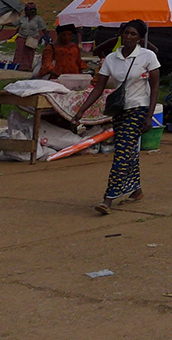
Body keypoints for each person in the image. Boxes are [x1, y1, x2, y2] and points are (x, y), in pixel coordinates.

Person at [72, 19, 161, 214]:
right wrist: (81, 110)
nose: (128, 37)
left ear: (140, 38)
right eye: (126, 33)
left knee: (121, 152)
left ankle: (108, 198)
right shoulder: (112, 58)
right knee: (128, 150)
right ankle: (136, 190)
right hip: (119, 110)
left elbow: (155, 87)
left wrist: (149, 115)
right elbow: (99, 87)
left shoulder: (148, 57)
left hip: (138, 109)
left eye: (133, 34)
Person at [13, 4, 45, 72]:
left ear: (32, 11)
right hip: (22, 36)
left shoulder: (38, 19)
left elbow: (43, 28)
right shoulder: (22, 18)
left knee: (29, 53)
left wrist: (47, 38)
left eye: (27, 10)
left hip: (32, 38)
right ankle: (17, 66)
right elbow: (14, 24)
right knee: (19, 52)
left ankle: (27, 67)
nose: (25, 12)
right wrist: (2, 23)